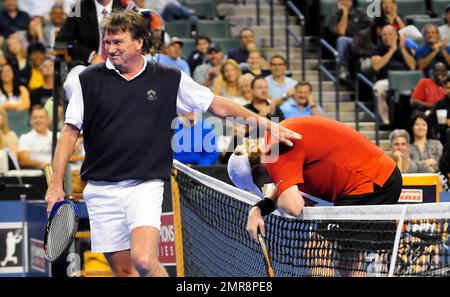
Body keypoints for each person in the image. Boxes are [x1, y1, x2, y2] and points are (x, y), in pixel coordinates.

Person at [45, 10, 300, 278]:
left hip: (144, 184)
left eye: (118, 42)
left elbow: (217, 105)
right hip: (101, 188)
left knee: (144, 260)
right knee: (123, 270)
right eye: (107, 42)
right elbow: (70, 131)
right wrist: (55, 185)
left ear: (138, 43)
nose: (110, 49)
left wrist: (265, 124)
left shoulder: (169, 78)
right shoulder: (87, 80)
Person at [226, 116, 402, 243]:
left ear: (258, 169)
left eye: (262, 182)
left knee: (318, 246)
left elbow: (294, 206)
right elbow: (283, 189)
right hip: (377, 177)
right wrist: (259, 209)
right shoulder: (273, 142)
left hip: (372, 183)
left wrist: (282, 201)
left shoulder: (276, 153)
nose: (267, 184)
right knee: (348, 257)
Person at [370, 25, 416, 125]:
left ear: (396, 36)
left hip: (404, 81)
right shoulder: (378, 49)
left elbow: (413, 66)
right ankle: (386, 122)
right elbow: (376, 66)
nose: (387, 37)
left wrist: (403, 49)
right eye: (384, 35)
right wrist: (391, 50)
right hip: (386, 81)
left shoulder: (404, 48)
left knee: (411, 95)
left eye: (390, 34)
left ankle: (408, 123)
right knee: (379, 91)